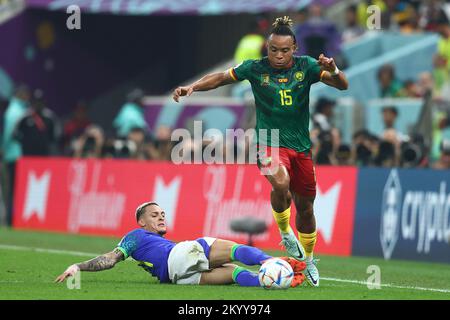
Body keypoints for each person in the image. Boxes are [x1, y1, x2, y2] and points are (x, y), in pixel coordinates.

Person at [172, 16, 349, 287]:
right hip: (268, 139)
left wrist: (334, 70)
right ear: (267, 48)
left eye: (285, 50)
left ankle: (309, 260)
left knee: (306, 209)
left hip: (300, 146)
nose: (278, 55)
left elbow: (342, 85)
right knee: (280, 182)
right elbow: (220, 78)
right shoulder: (255, 68)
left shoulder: (308, 67)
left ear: (295, 48)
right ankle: (285, 233)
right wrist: (193, 87)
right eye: (273, 50)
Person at [55, 202, 306, 287]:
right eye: (154, 215)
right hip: (180, 256)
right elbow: (111, 258)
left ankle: (273, 280)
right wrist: (79, 266)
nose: (161, 216)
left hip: (177, 277)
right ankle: (272, 261)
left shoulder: (155, 242)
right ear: (141, 222)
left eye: (163, 213)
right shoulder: (135, 236)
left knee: (233, 273)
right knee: (235, 250)